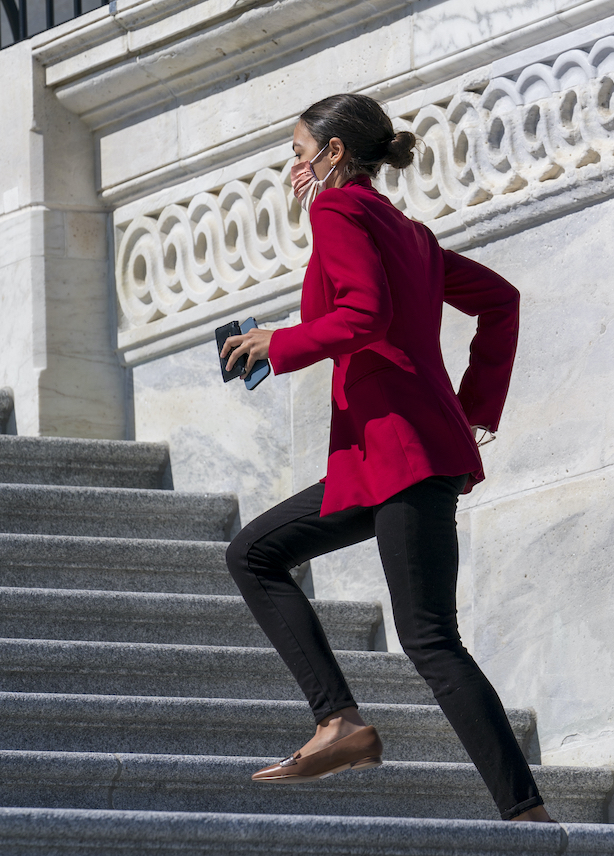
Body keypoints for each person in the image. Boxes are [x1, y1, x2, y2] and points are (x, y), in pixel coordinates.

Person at [220, 93, 552, 823]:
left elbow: (360, 317)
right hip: (395, 456)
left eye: (300, 152)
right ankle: (339, 723)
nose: (293, 167)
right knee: (256, 553)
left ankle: (523, 812)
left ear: (335, 154)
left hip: (399, 453)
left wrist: (272, 345)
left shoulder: (340, 213)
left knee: (429, 638)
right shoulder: (410, 233)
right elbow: (498, 301)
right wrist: (470, 409)